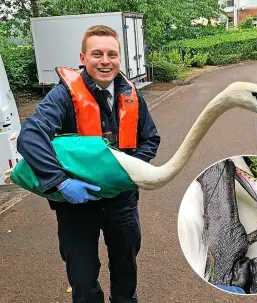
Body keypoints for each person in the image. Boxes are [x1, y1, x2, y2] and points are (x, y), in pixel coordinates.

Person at [17, 25, 161, 303]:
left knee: (126, 272)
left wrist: (127, 172)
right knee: (82, 280)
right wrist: (60, 181)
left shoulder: (132, 95)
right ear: (83, 57)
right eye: (97, 54)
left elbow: (150, 139)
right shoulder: (62, 96)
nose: (105, 61)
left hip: (122, 202)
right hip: (76, 205)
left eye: (112, 54)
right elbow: (30, 136)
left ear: (120, 58)